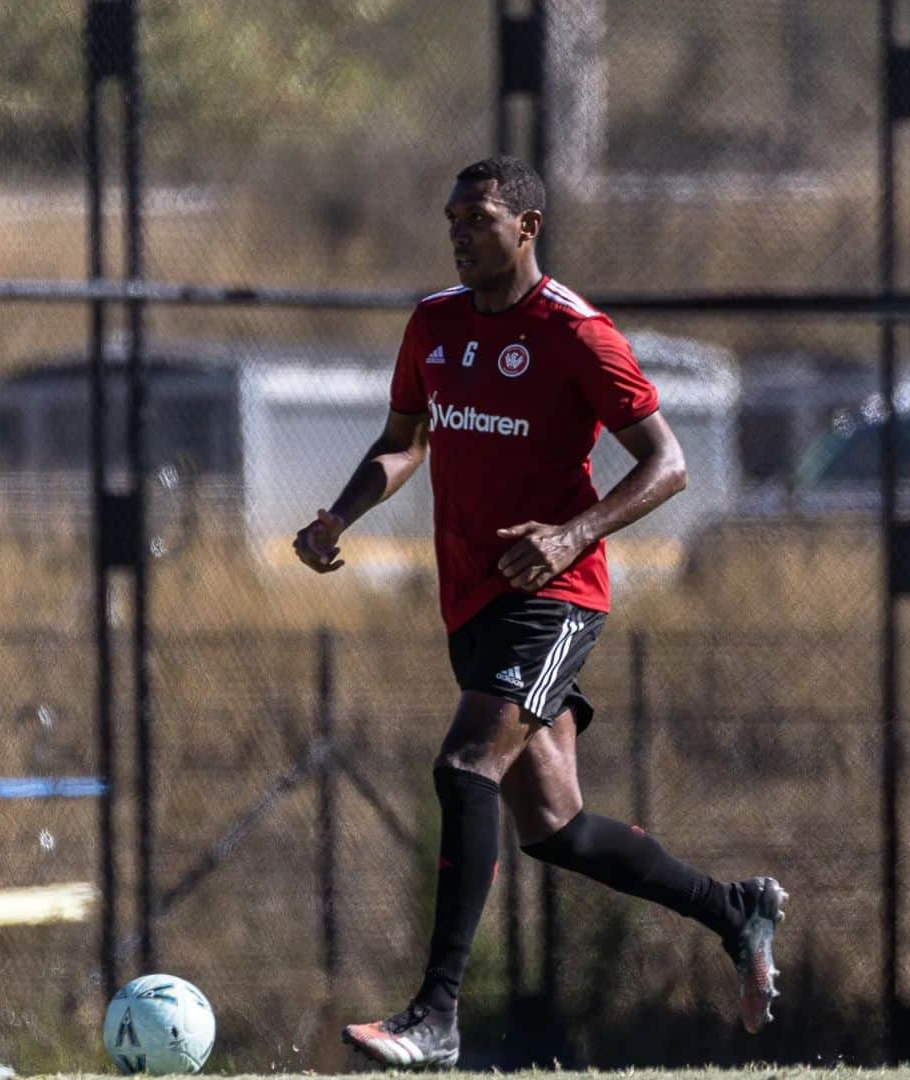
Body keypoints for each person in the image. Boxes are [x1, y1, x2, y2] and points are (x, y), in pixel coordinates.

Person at [293, 155, 786, 1070]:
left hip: (555, 597)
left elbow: (667, 462)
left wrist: (572, 533)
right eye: (451, 217)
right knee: (556, 830)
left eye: (477, 216)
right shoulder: (434, 325)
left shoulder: (576, 332)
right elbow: (407, 441)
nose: (459, 232)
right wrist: (339, 512)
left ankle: (437, 1017)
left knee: (464, 762)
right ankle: (736, 910)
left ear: (528, 227)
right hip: (472, 600)